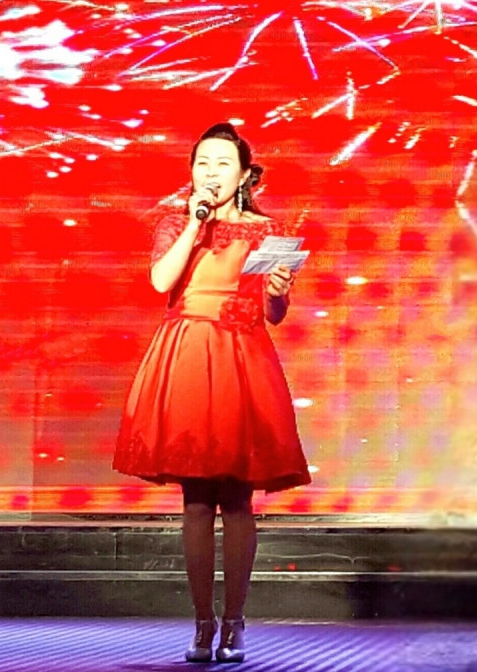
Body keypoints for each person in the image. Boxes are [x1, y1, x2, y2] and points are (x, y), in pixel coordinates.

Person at [113, 122, 310, 663]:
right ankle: (202, 625)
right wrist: (194, 225)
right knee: (196, 498)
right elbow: (161, 283)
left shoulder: (270, 231)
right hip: (186, 357)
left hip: (241, 359)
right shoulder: (176, 223)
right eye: (202, 163)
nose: (211, 172)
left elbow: (274, 313)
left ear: (244, 175)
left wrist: (278, 292)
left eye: (223, 163)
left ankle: (236, 623)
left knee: (238, 497)